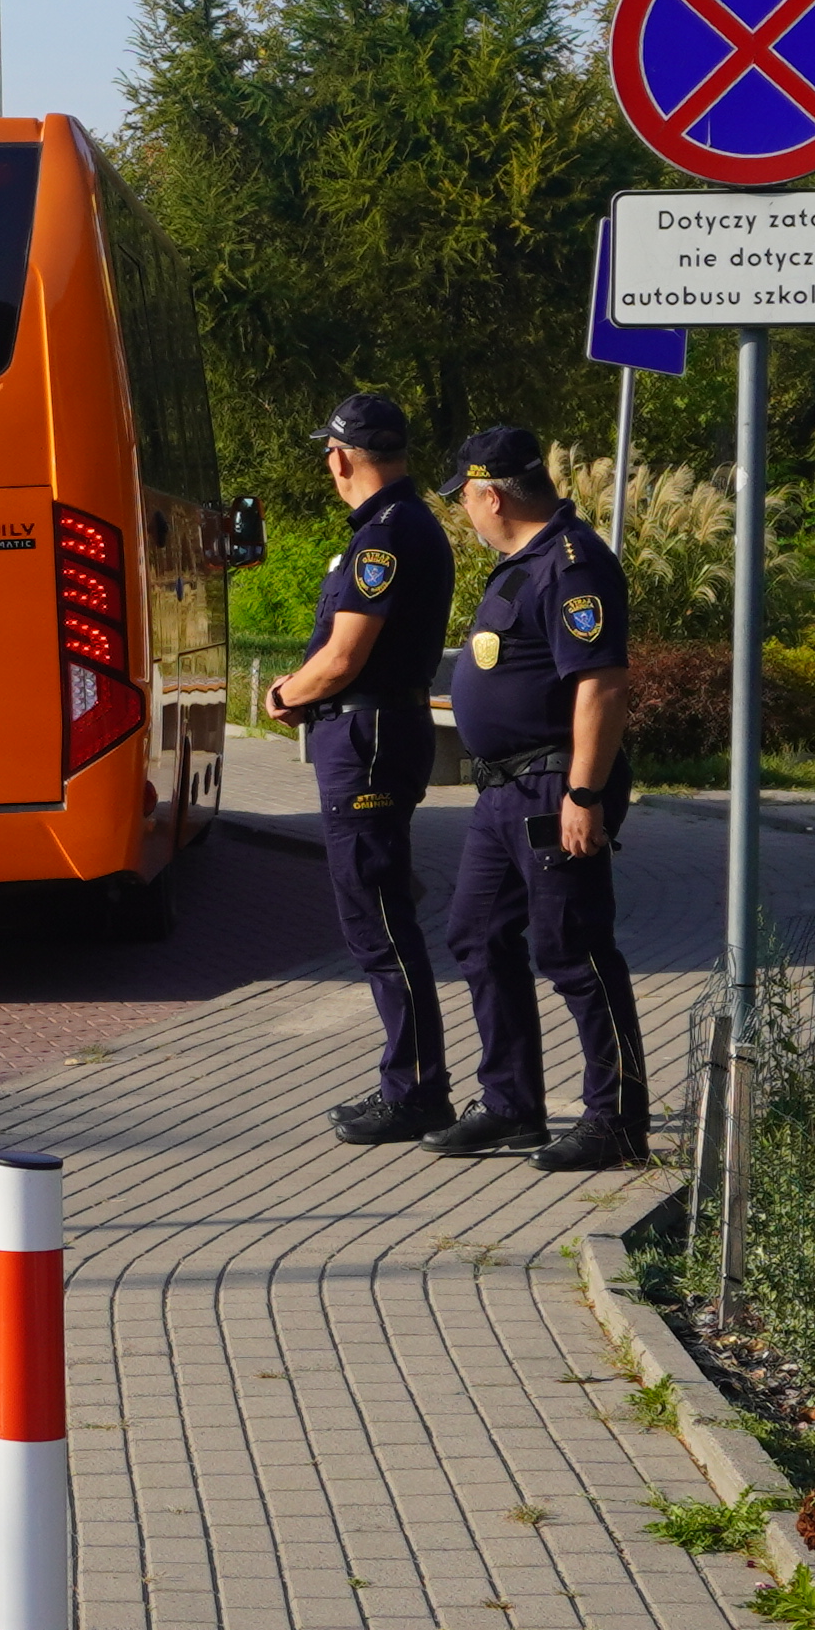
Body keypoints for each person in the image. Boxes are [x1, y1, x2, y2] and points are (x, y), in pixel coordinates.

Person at [426, 422, 649, 1170]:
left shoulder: (572, 565)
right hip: (503, 793)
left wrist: (584, 793)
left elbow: (602, 684)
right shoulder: (524, 560)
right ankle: (510, 1105)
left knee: (574, 950)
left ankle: (615, 1119)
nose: (465, 510)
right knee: (477, 936)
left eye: (464, 497)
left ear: (489, 495)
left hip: (555, 785)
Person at [258, 391, 453, 1143]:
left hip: (366, 733)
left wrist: (284, 692)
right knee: (378, 913)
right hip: (377, 728)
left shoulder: (384, 536)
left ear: (341, 457)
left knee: (376, 920)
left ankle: (413, 1090)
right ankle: (411, 1082)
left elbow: (343, 656)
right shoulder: (404, 525)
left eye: (327, 454)